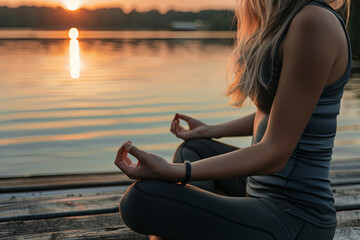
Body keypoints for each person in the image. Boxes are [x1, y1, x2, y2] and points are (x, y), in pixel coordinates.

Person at [114, 0, 352, 239]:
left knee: (140, 200)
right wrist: (209, 130)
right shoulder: (288, 19)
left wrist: (175, 171)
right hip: (257, 189)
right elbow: (278, 116)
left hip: (295, 216)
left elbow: (276, 152)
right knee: (193, 149)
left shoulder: (315, 22)